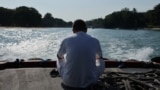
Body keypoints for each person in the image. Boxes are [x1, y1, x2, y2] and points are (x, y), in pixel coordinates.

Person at [57, 19, 105, 90]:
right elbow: (99, 57)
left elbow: (59, 56)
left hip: (69, 83)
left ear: (73, 30)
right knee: (100, 60)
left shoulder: (66, 40)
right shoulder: (95, 41)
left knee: (59, 59)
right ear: (86, 30)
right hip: (91, 82)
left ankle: (68, 75)